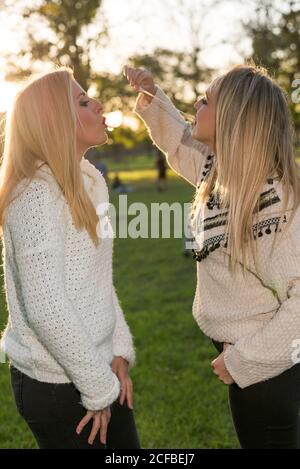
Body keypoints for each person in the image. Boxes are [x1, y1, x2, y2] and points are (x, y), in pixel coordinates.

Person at [125, 64, 300, 449]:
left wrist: (243, 362)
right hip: (242, 356)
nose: (195, 104)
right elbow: (177, 139)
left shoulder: (279, 200)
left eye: (205, 100)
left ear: (233, 120)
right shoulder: (217, 170)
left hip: (268, 364)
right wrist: (153, 95)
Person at [0, 67, 140, 449]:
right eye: (82, 101)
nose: (98, 104)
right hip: (57, 383)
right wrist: (97, 389)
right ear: (54, 122)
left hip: (96, 369)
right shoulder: (33, 194)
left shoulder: (88, 181)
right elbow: (45, 308)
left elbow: (98, 281)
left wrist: (119, 353)